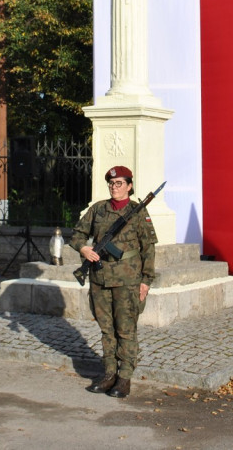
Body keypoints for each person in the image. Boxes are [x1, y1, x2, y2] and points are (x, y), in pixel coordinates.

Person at [70, 165, 157, 399]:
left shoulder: (138, 213)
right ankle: (109, 373)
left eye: (119, 183)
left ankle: (124, 377)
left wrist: (146, 281)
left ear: (129, 186)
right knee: (107, 330)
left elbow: (148, 250)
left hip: (128, 280)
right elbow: (77, 234)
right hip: (99, 278)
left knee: (126, 330)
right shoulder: (98, 209)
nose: (114, 187)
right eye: (111, 183)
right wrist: (84, 248)